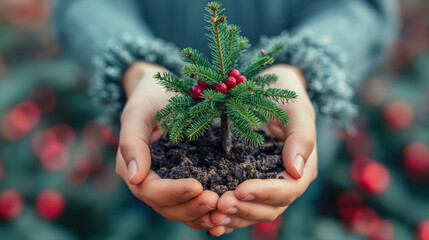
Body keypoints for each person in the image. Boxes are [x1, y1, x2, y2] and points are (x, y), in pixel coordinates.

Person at [53, 0, 397, 237]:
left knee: (285, 214)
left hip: (291, 142)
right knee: (150, 207)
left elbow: (360, 8)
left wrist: (300, 66)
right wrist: (137, 69)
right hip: (159, 131)